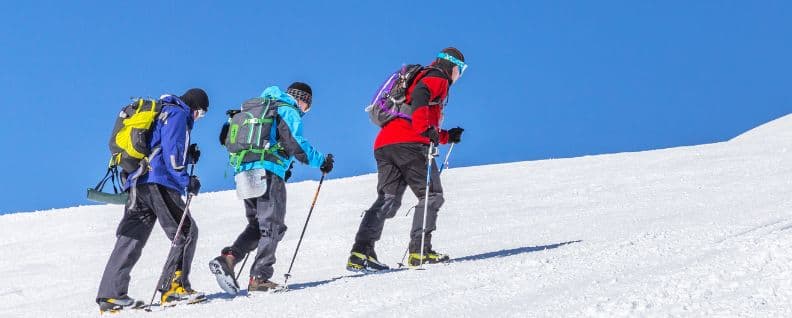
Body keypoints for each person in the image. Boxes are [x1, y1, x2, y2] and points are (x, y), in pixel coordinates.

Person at [347, 47, 467, 271]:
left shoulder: (419, 76)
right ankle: (420, 251)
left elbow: (414, 115)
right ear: (452, 66)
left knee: (388, 199)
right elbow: (422, 97)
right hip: (410, 144)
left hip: (385, 143)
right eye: (461, 70)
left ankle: (360, 252)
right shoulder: (438, 77)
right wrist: (424, 129)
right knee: (432, 195)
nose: (459, 75)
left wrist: (446, 136)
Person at [210, 82, 333, 293]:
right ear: (302, 99)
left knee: (257, 226)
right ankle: (259, 277)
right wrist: (322, 161)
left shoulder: (260, 108)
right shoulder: (287, 109)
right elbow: (296, 144)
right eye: (308, 106)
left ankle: (229, 258)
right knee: (272, 225)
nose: (306, 111)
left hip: (244, 170)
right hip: (268, 171)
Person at [96, 88, 209, 312]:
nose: (199, 118)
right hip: (158, 180)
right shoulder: (178, 114)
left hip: (137, 181)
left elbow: (157, 145)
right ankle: (174, 288)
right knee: (185, 231)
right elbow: (171, 152)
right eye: (202, 113)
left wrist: (188, 156)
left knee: (131, 237)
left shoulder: (161, 111)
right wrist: (186, 180)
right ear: (195, 107)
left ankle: (110, 294)